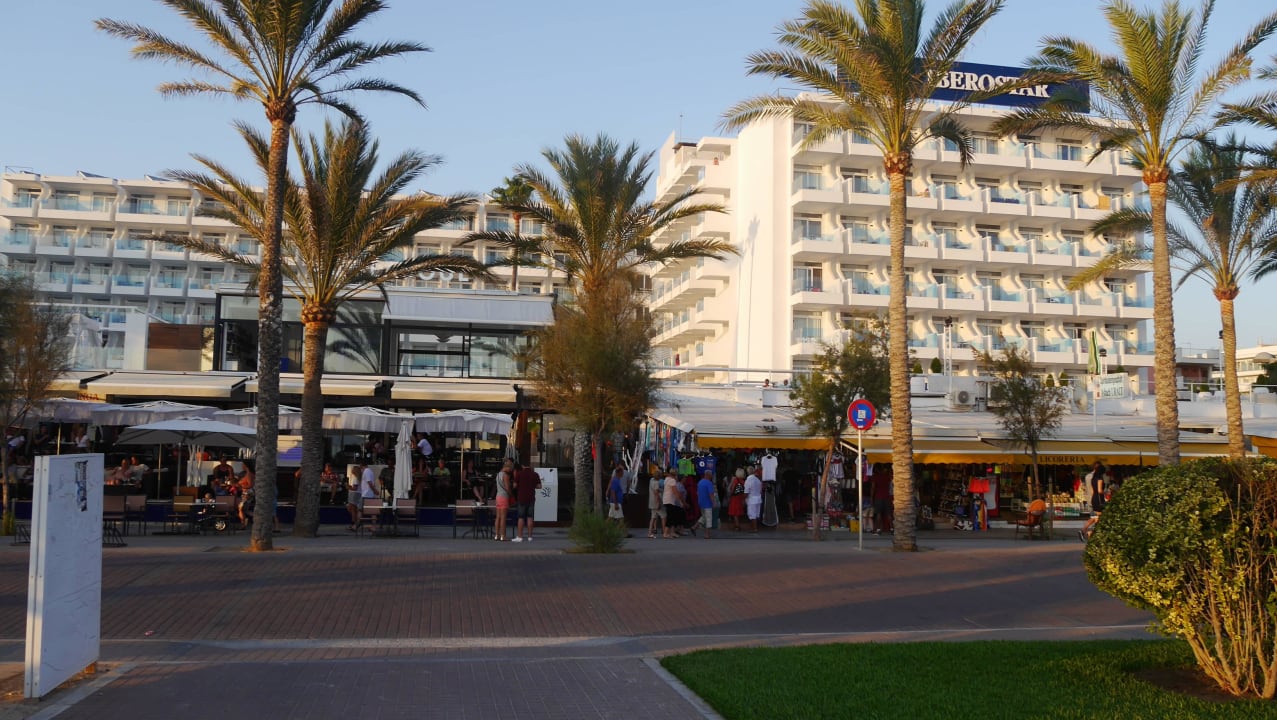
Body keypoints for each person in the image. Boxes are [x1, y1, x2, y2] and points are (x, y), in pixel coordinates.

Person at [511, 461, 541, 542]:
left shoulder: (519, 474)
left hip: (521, 498)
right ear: (530, 465)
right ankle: (530, 537)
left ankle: (520, 537)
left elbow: (514, 486)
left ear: (522, 465)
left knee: (521, 517)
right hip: (531, 498)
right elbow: (539, 486)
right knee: (530, 517)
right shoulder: (535, 474)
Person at [1081, 461, 1107, 541]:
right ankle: (1091, 532)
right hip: (1099, 500)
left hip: (1094, 499)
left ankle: (1089, 532)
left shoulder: (1092, 478)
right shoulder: (1100, 479)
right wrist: (1106, 492)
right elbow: (1099, 490)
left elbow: (1092, 491)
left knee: (1096, 518)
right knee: (1099, 518)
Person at [493, 459, 513, 541]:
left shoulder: (498, 474)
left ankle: (496, 535)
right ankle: (503, 536)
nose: (510, 470)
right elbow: (507, 488)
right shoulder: (505, 475)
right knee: (503, 517)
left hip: (498, 497)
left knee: (498, 517)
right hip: (504, 497)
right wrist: (511, 495)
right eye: (510, 468)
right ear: (507, 467)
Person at [662, 469, 685, 538]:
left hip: (666, 500)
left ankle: (672, 532)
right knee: (670, 517)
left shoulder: (666, 479)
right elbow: (675, 492)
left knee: (673, 516)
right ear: (675, 475)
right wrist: (680, 501)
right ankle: (665, 533)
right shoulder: (672, 481)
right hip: (670, 501)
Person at [696, 471, 718, 539]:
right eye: (711, 475)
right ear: (708, 475)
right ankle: (707, 534)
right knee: (708, 518)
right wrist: (714, 503)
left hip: (701, 502)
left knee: (704, 516)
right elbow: (711, 494)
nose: (711, 477)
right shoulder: (709, 483)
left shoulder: (700, 482)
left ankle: (694, 527)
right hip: (707, 503)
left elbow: (697, 492)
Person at [744, 466, 763, 533]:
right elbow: (761, 490)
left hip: (752, 499)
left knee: (752, 515)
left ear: (748, 472)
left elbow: (746, 492)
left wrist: (744, 498)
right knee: (756, 514)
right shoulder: (757, 480)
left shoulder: (748, 480)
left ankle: (754, 529)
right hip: (758, 498)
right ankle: (755, 527)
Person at [647, 471, 666, 539]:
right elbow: (656, 494)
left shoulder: (651, 480)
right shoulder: (656, 483)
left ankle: (649, 533)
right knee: (663, 516)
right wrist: (658, 504)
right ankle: (664, 532)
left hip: (651, 502)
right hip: (656, 502)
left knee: (653, 517)